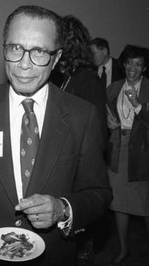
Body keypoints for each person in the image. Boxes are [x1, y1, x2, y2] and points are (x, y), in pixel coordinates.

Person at [0, 5, 112, 266]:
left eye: (39, 52)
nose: (23, 63)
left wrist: (63, 208)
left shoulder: (81, 115)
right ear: (4, 50)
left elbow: (99, 193)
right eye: (15, 48)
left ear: (56, 59)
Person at [106, 44, 149, 266]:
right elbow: (108, 116)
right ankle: (124, 249)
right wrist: (109, 122)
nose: (133, 68)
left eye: (139, 64)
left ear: (145, 69)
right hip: (118, 151)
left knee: (148, 207)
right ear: (123, 64)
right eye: (130, 62)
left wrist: (138, 106)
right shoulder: (113, 88)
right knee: (118, 204)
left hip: (143, 154)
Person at [58, 15, 109, 266]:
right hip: (69, 174)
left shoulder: (88, 80)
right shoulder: (69, 77)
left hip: (81, 176)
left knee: (81, 250)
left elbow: (97, 135)